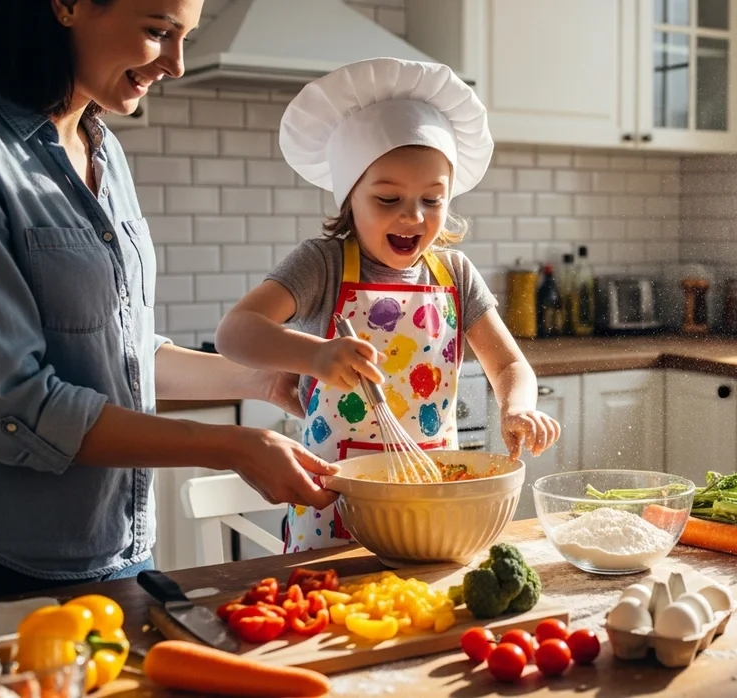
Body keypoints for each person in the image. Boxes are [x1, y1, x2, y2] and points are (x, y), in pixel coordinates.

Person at [0, 0, 341, 604]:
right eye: (159, 31)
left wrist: (263, 380)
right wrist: (229, 446)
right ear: (67, 5)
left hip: (125, 554)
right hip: (7, 573)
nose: (177, 65)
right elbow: (20, 407)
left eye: (186, 37)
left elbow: (123, 351)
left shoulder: (103, 150)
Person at [214, 57, 561, 553]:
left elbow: (508, 364)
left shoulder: (455, 273)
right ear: (350, 197)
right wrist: (314, 355)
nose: (413, 216)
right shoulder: (323, 264)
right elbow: (235, 332)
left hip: (430, 493)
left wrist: (518, 407)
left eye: (432, 200)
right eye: (387, 199)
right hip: (335, 504)